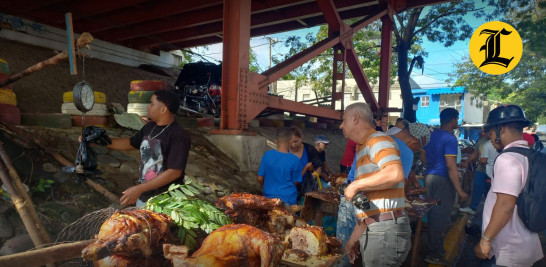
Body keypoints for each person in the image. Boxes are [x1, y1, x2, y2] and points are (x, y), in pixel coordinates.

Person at [340, 102, 410, 266]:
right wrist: (353, 239)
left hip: (384, 231)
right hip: (376, 228)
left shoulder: (377, 140)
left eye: (344, 120)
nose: (341, 125)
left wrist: (355, 185)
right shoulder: (363, 147)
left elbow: (395, 173)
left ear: (355, 119)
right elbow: (370, 205)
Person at [475, 105, 543, 266]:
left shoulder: (508, 160)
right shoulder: (530, 156)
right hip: (526, 241)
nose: (491, 140)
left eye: (491, 134)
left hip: (507, 250)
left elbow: (505, 205)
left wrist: (485, 240)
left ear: (501, 129)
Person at [106, 90, 190, 207]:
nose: (148, 107)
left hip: (167, 202)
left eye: (152, 104)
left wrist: (139, 189)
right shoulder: (149, 127)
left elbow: (174, 172)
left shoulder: (178, 134)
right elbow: (130, 143)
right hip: (144, 197)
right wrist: (102, 142)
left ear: (163, 109)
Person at [421, 108, 468, 265]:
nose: (457, 122)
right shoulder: (450, 139)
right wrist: (460, 190)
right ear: (453, 120)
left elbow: (423, 157)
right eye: (457, 119)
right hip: (442, 179)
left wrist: (434, 166)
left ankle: (434, 250)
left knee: (433, 215)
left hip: (429, 177)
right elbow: (450, 166)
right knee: (439, 217)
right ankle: (434, 253)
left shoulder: (431, 135)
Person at [257, 128, 301, 205]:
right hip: (288, 199)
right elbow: (296, 181)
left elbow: (260, 178)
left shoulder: (267, 155)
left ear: (276, 141)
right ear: (290, 141)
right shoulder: (295, 160)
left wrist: (269, 186)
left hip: (269, 199)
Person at [459, 130, 492, 215]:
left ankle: (490, 210)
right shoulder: (481, 141)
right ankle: (473, 207)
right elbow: (475, 153)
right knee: (477, 188)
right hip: (481, 169)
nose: (485, 133)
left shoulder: (498, 142)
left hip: (493, 171)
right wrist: (467, 162)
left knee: (490, 191)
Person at [288, 127, 320, 197]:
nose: (293, 144)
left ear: (301, 138)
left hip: (306, 189)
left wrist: (313, 176)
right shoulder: (283, 151)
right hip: (289, 189)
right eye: (289, 141)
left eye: (296, 141)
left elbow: (318, 167)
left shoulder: (309, 149)